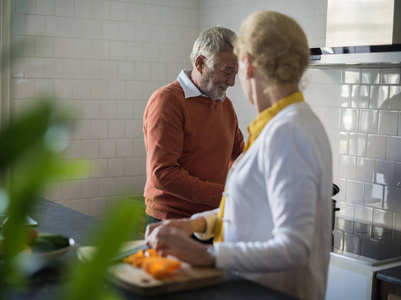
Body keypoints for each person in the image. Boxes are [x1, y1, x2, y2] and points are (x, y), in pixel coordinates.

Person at [145, 11, 333, 300]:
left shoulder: (289, 132)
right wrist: (199, 223)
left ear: (247, 65)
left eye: (236, 68)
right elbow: (250, 205)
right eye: (226, 70)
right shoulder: (285, 125)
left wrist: (206, 254)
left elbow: (294, 248)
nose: (232, 80)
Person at [142, 26, 244, 227]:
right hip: (171, 220)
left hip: (211, 217)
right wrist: (225, 195)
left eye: (236, 73)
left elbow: (239, 155)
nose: (232, 82)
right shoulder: (167, 101)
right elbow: (163, 174)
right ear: (201, 63)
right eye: (227, 71)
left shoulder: (224, 104)